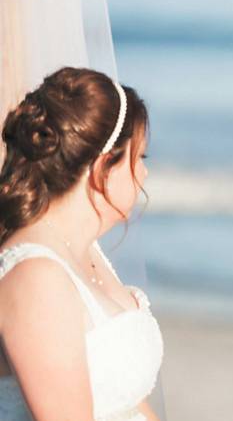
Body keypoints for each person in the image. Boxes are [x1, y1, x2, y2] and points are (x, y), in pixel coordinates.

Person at [0, 67, 163, 421]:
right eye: (139, 158)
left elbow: (128, 400)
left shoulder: (85, 251)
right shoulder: (35, 277)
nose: (145, 174)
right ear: (104, 166)